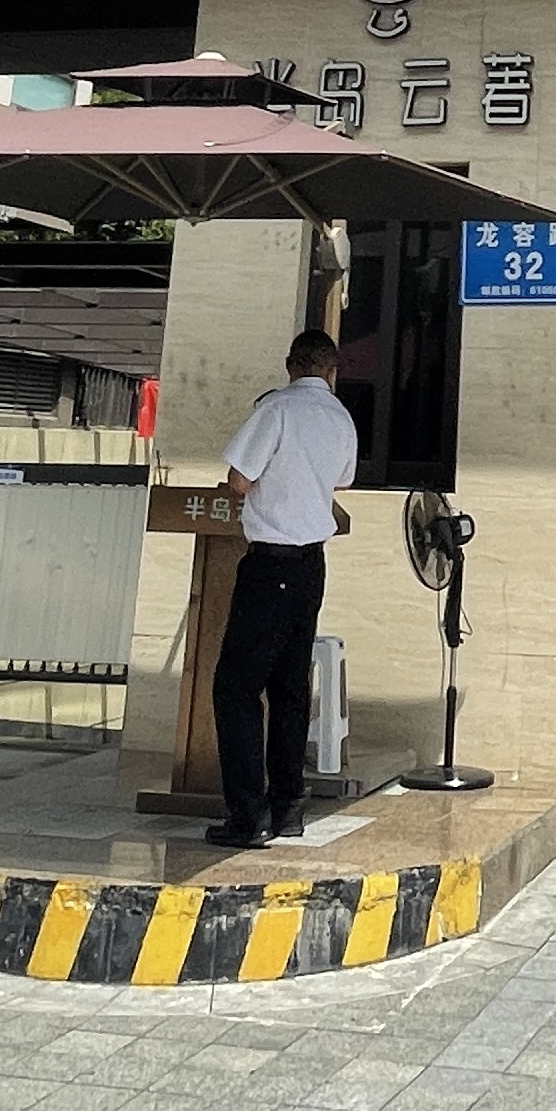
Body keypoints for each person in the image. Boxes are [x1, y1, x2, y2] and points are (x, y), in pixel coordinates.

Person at [208, 327, 357, 846]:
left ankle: (248, 817)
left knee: (236, 688)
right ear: (332, 370)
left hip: (270, 562)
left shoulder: (277, 408)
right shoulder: (340, 417)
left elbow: (238, 479)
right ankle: (288, 807)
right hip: (312, 565)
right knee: (290, 687)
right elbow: (341, 481)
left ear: (291, 365)